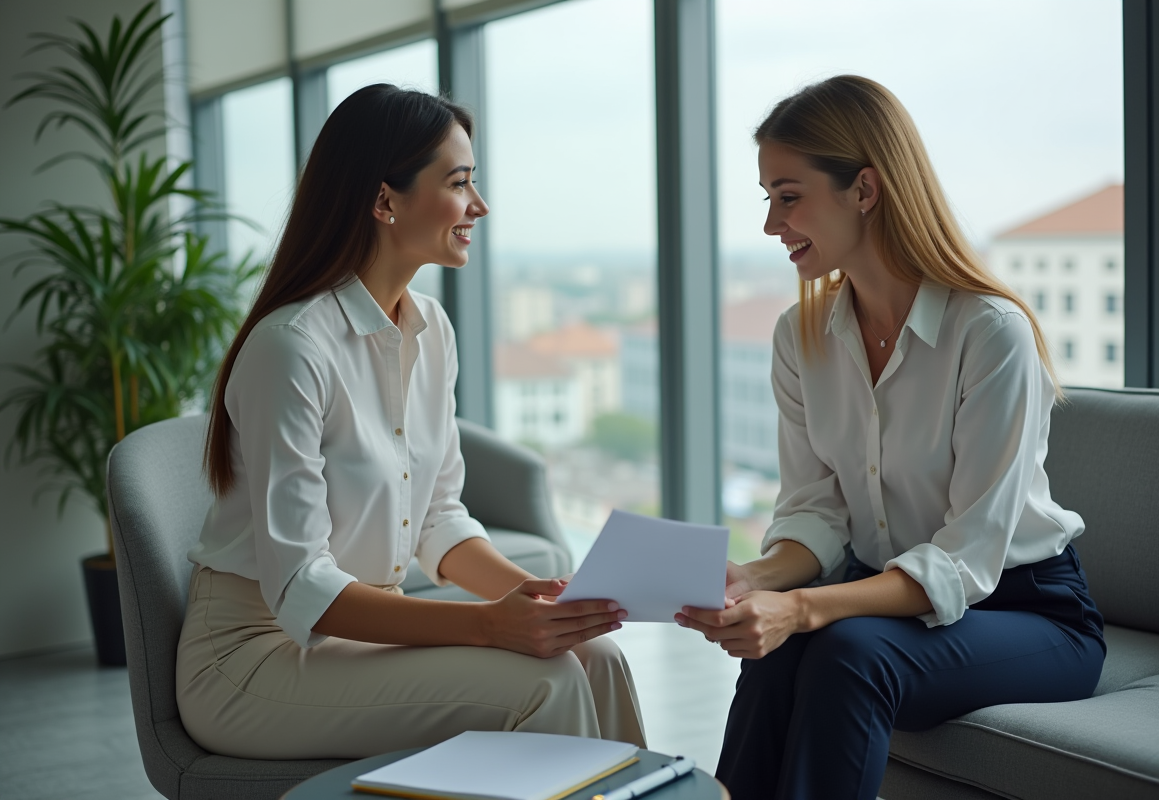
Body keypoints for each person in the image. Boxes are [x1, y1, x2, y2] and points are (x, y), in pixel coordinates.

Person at [178, 85, 645, 760]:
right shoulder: (291, 348)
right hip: (252, 658)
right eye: (459, 184)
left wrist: (528, 595)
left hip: (356, 636)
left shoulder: (432, 329)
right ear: (384, 200)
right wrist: (489, 627)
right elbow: (300, 584)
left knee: (598, 657)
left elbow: (437, 518)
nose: (478, 206)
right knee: (544, 685)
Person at [674, 75, 1105, 800]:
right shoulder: (800, 335)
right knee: (781, 651)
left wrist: (806, 605)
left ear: (864, 190)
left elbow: (967, 561)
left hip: (1028, 610)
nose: (772, 225)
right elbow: (817, 509)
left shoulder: (989, 333)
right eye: (767, 199)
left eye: (788, 196)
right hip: (883, 592)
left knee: (843, 647)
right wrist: (759, 578)